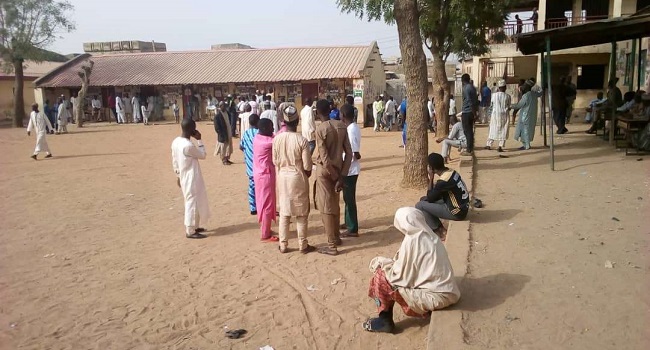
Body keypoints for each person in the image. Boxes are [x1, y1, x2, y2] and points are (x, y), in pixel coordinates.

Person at [363, 207, 460, 333]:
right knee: (386, 272)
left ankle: (384, 320)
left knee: (381, 277)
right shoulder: (430, 235)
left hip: (438, 297)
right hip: (448, 292)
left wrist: (382, 262)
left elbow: (398, 277)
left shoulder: (414, 242)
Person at [272, 105, 316, 254]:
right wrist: (306, 174)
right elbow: (307, 165)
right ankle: (302, 244)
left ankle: (283, 244)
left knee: (285, 212)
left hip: (282, 176)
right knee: (301, 213)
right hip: (297, 176)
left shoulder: (277, 139)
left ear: (284, 122)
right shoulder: (302, 140)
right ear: (297, 121)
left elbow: (275, 161)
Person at [314, 99, 352, 256]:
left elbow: (324, 158)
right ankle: (336, 237)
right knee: (335, 204)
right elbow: (349, 153)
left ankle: (331, 245)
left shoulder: (320, 129)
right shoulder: (341, 125)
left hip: (325, 171)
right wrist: (342, 175)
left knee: (326, 206)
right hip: (339, 169)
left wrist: (336, 176)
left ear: (317, 112)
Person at [415, 153, 469, 241]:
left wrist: (431, 178)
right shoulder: (452, 172)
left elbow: (430, 197)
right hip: (462, 207)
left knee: (420, 205)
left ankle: (440, 231)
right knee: (423, 199)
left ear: (431, 168)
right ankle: (439, 227)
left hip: (457, 212)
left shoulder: (443, 181)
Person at [171, 118, 210, 239]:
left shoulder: (176, 141)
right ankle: (190, 230)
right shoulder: (187, 146)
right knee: (191, 201)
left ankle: (195, 225)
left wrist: (178, 175)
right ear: (191, 130)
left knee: (196, 200)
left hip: (184, 175)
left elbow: (175, 161)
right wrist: (199, 140)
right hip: (191, 176)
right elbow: (203, 155)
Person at [253, 119, 278, 243]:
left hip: (260, 174)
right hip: (265, 175)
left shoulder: (258, 137)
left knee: (263, 202)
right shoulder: (268, 142)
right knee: (267, 204)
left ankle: (266, 228)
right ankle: (265, 234)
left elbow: (274, 136)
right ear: (264, 129)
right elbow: (278, 139)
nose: (273, 130)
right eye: (271, 127)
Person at [341, 104, 361, 238]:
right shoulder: (351, 127)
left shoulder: (351, 130)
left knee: (349, 198)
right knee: (346, 197)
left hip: (350, 169)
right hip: (350, 168)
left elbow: (354, 153)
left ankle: (352, 228)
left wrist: (343, 166)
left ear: (343, 115)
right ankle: (347, 221)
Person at [511, 80, 543, 150]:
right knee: (529, 129)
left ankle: (527, 145)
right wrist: (539, 87)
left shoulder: (526, 96)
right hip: (532, 115)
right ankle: (526, 144)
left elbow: (519, 105)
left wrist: (509, 106)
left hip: (525, 115)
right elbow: (541, 93)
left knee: (525, 130)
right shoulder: (534, 94)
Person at [240, 113, 260, 215]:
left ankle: (253, 207)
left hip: (249, 163)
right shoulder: (260, 133)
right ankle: (260, 205)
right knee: (261, 186)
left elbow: (241, 146)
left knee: (252, 185)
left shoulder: (246, 133)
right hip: (259, 164)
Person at [485, 79, 511, 152]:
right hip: (504, 115)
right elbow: (509, 106)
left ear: (498, 88)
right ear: (505, 87)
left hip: (495, 115)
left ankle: (489, 144)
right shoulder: (508, 96)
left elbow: (491, 105)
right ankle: (500, 146)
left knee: (493, 129)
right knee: (504, 130)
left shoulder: (494, 95)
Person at [460, 73, 478, 155]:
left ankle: (469, 149)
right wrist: (475, 113)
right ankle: (470, 147)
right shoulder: (473, 88)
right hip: (471, 112)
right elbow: (475, 100)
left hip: (467, 112)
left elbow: (469, 101)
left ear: (462, 80)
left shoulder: (466, 88)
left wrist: (474, 113)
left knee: (467, 131)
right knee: (470, 130)